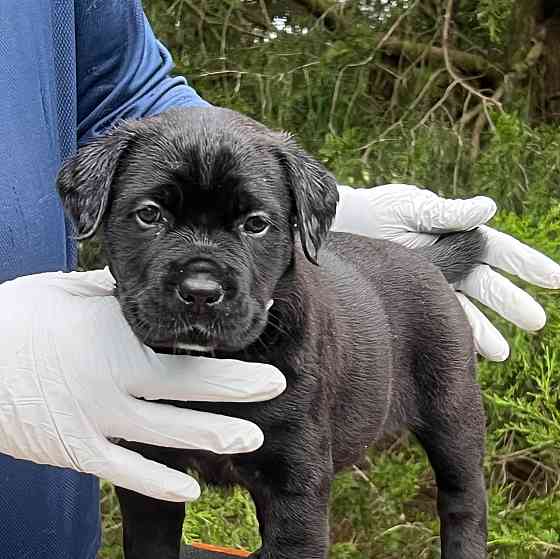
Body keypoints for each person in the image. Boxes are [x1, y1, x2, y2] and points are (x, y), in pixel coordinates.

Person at [0, 2, 558, 558]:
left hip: (48, 532)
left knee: (457, 466)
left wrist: (280, 187)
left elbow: (125, 91)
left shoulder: (302, 334)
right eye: (152, 216)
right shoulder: (86, 341)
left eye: (254, 223)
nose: (200, 282)